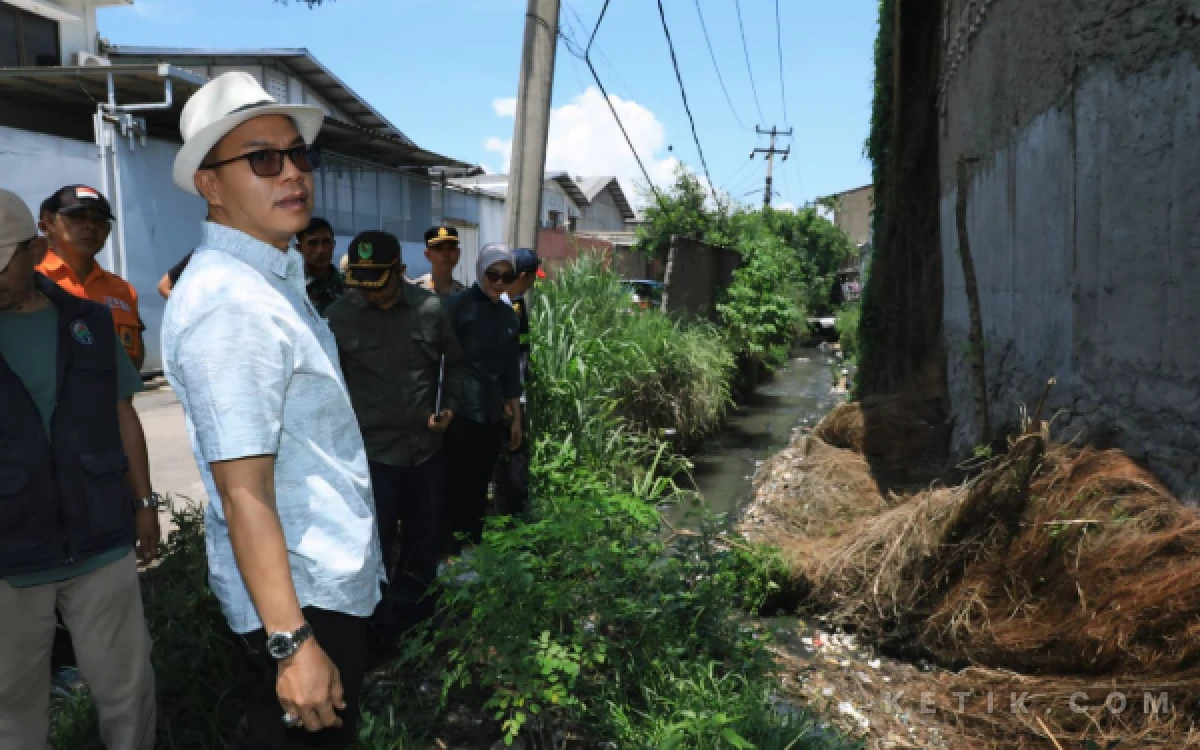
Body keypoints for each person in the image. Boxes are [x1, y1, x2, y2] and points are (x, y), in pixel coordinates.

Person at [160, 71, 384, 747]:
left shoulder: (269, 279)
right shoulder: (233, 302)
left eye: (298, 155)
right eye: (263, 159)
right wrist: (292, 645)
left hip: (315, 587)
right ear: (211, 183)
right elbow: (243, 491)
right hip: (298, 601)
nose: (292, 173)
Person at [0, 188, 159, 750]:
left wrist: (144, 504)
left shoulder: (88, 321)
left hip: (101, 539)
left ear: (29, 248)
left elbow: (124, 415)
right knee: (12, 709)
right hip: (11, 555)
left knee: (127, 692)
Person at [325, 231, 465, 638]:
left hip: (425, 451)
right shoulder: (338, 318)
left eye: (381, 284)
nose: (373, 295)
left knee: (424, 540)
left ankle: (419, 624)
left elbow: (454, 366)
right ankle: (378, 629)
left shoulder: (430, 309)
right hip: (371, 457)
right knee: (375, 545)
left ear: (401, 271)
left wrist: (449, 408)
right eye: (364, 284)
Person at [442, 244, 523, 553]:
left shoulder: (508, 316)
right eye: (493, 275)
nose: (499, 283)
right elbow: (439, 360)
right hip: (458, 410)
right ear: (480, 272)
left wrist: (516, 417)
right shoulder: (456, 307)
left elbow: (510, 372)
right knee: (454, 483)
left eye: (506, 277)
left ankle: (471, 547)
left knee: (479, 484)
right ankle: (448, 550)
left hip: (491, 412)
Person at [36, 185, 146, 369]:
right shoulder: (30, 282)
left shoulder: (123, 291)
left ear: (108, 230)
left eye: (99, 219)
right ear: (47, 224)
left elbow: (133, 363)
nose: (90, 226)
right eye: (77, 217)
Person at [495, 248, 544, 518]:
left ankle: (512, 515)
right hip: (507, 400)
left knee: (515, 458)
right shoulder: (502, 308)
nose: (534, 283)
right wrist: (511, 402)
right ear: (523, 276)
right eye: (533, 277)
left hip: (516, 395)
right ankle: (511, 520)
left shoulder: (516, 304)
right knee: (513, 460)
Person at [297, 217, 345, 315]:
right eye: (312, 243)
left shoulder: (349, 286)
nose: (320, 250)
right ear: (299, 248)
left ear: (334, 245)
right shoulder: (292, 287)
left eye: (326, 242)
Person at [414, 225, 465, 297]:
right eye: (438, 249)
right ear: (427, 254)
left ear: (458, 253)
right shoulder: (415, 290)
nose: (446, 254)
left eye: (451, 248)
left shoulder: (464, 295)